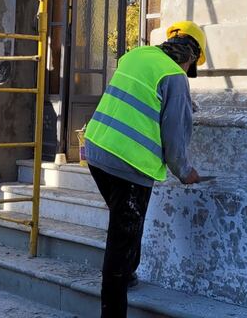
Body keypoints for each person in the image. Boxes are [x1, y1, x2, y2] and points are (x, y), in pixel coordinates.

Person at [84, 20, 207, 317]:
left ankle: (129, 272)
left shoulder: (136, 55)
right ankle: (113, 308)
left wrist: (183, 104)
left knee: (127, 220)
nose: (188, 72)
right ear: (190, 57)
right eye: (190, 67)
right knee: (122, 236)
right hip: (129, 164)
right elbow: (174, 136)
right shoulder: (175, 77)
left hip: (97, 150)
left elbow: (140, 98)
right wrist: (184, 171)